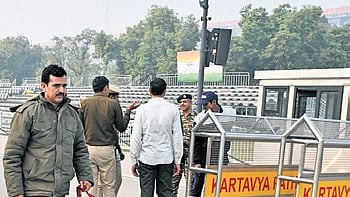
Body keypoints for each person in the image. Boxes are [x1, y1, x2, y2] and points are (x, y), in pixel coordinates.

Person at [3, 64, 94, 197]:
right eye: (56, 86)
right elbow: (12, 156)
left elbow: (80, 150)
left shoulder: (72, 115)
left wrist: (85, 176)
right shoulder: (28, 113)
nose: (61, 90)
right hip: (33, 190)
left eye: (64, 86)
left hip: (61, 191)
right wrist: (16, 192)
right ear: (44, 86)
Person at [79, 76, 140, 196]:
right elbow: (121, 127)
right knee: (108, 185)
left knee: (93, 184)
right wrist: (128, 112)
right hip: (106, 149)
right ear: (106, 88)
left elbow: (80, 127)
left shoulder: (84, 103)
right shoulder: (113, 104)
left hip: (89, 147)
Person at [130, 78, 183, 197]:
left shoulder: (142, 109)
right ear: (165, 91)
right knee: (165, 192)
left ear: (149, 91)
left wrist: (134, 159)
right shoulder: (173, 109)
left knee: (146, 193)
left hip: (147, 157)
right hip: (166, 157)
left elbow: (136, 136)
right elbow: (177, 136)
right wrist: (178, 160)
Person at [190, 91, 233, 197]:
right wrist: (197, 161)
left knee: (218, 186)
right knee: (197, 187)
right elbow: (196, 141)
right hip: (204, 157)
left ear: (214, 102)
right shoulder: (200, 118)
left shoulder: (229, 114)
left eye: (206, 104)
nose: (204, 107)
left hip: (220, 156)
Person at [96, 85, 126, 197]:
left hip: (114, 148)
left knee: (116, 181)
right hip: (103, 149)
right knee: (101, 184)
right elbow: (121, 126)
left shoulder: (113, 109)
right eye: (113, 96)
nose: (115, 100)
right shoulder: (100, 109)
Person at [172, 94, 197, 197]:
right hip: (178, 153)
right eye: (181, 102)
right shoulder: (176, 117)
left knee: (191, 184)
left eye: (185, 101)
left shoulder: (197, 117)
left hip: (190, 154)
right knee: (172, 183)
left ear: (190, 103)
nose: (182, 104)